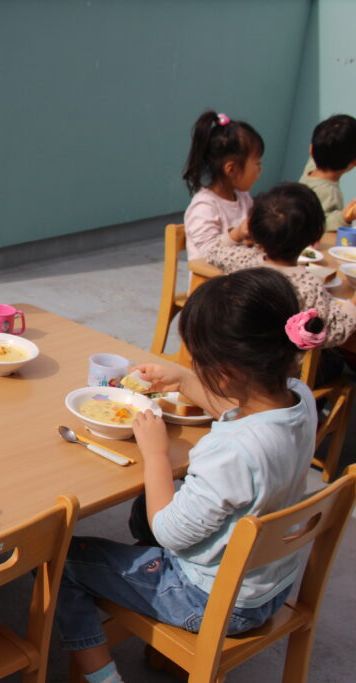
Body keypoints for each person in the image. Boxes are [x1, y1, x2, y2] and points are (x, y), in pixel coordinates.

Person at [56, 269, 321, 683]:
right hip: (269, 585)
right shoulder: (299, 399)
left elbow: (170, 533)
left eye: (196, 360)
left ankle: (104, 677)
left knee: (61, 561)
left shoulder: (230, 452)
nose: (192, 365)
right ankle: (140, 593)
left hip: (210, 599)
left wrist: (156, 454)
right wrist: (184, 381)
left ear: (225, 372)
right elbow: (240, 411)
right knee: (143, 508)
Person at [207, 182, 356, 359]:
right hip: (279, 368)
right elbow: (333, 331)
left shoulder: (240, 260)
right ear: (315, 236)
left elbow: (214, 251)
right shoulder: (309, 287)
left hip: (235, 355)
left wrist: (237, 233)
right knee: (337, 360)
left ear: (255, 227)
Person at [182, 111, 265, 259]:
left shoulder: (243, 197)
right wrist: (236, 234)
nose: (260, 169)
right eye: (257, 163)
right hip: (211, 273)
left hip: (240, 270)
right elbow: (209, 253)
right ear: (231, 169)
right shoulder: (204, 206)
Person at [298, 113, 356, 232]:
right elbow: (321, 227)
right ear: (354, 162)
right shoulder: (330, 194)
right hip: (306, 238)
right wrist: (344, 217)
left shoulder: (312, 168)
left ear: (311, 149)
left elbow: (323, 149)